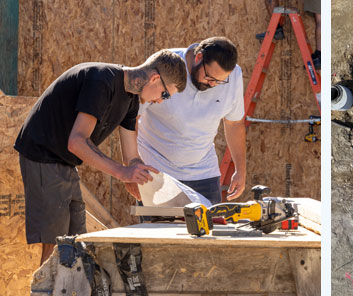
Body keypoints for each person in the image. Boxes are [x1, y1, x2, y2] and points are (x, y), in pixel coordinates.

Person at [15, 49, 186, 264]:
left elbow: (131, 156)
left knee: (76, 240)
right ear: (154, 78)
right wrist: (122, 173)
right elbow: (77, 142)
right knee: (56, 244)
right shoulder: (102, 81)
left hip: (64, 162)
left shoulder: (132, 100)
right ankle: (46, 283)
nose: (161, 101)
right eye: (165, 94)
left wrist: (139, 176)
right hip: (42, 154)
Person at [132, 37, 246, 204]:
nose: (213, 84)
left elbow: (234, 123)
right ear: (198, 57)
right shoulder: (165, 66)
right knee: (158, 222)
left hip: (204, 173)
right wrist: (133, 165)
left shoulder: (233, 76)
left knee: (210, 221)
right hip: (157, 170)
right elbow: (132, 117)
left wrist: (240, 170)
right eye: (209, 77)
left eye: (219, 81)